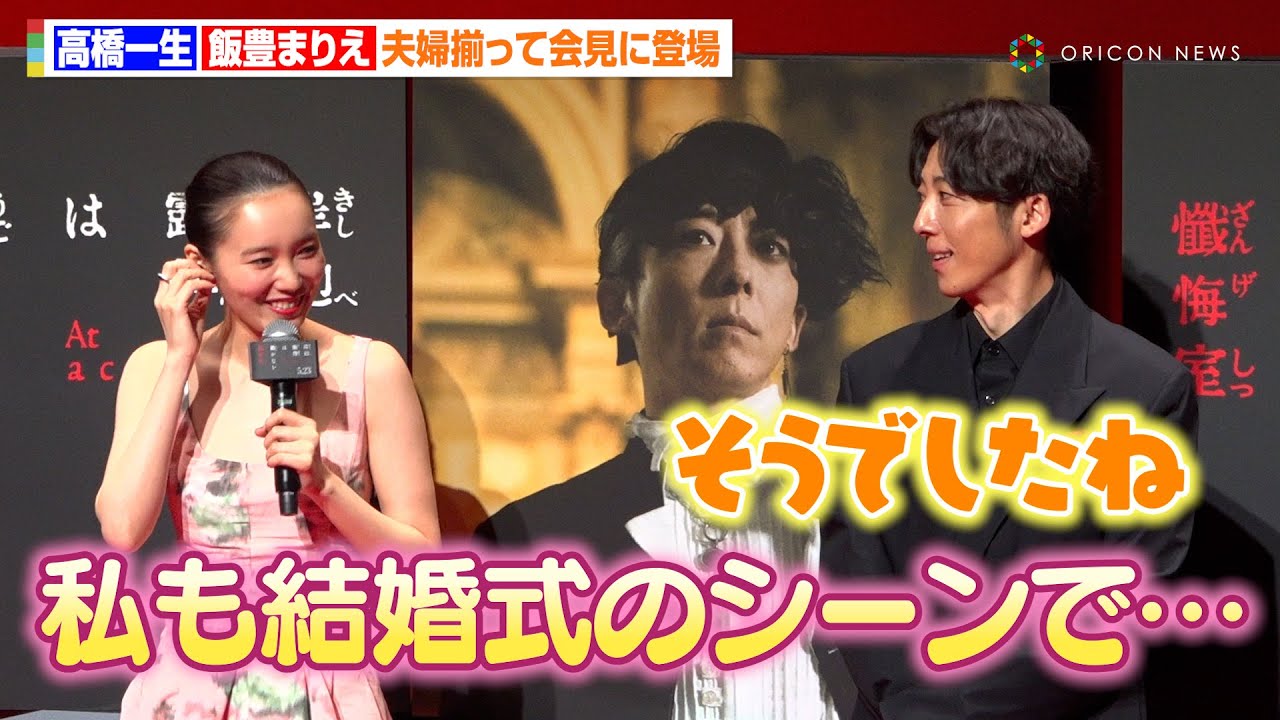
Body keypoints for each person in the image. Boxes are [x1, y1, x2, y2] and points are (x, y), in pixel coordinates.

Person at [446, 120, 884, 719]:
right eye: (697, 237)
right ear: (617, 303)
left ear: (797, 324)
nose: (737, 272)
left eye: (770, 247)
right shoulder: (521, 547)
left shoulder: (890, 521)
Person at [818, 98, 1198, 719]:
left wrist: (953, 713)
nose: (921, 221)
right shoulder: (875, 378)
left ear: (1031, 212)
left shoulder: (1145, 388)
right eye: (922, 196)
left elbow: (1125, 605)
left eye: (948, 197)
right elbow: (854, 578)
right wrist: (911, 707)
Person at [95, 151, 442, 719]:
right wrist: (180, 356)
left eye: (306, 250)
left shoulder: (370, 370)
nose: (292, 279)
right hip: (192, 684)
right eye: (262, 260)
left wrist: (326, 485)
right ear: (200, 264)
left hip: (325, 678)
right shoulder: (155, 366)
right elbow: (123, 528)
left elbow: (423, 560)